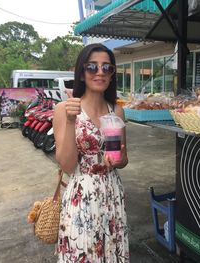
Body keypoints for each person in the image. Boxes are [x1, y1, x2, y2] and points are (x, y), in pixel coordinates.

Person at [53, 43, 129, 262]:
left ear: (112, 74)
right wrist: (70, 121)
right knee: (83, 253)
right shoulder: (65, 109)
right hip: (82, 194)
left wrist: (120, 160)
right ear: (81, 72)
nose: (100, 72)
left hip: (112, 192)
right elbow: (67, 166)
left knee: (111, 252)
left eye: (107, 68)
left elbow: (124, 159)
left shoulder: (117, 110)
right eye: (92, 67)